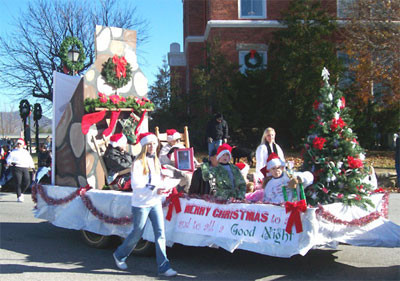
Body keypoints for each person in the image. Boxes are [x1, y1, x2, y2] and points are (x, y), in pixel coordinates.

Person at [112, 132, 178, 277]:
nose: (152, 147)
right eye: (149, 144)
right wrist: (155, 188)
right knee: (137, 233)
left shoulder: (156, 161)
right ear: (143, 146)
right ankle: (119, 254)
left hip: (155, 202)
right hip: (141, 204)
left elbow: (157, 180)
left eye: (154, 144)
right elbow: (136, 184)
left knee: (160, 233)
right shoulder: (137, 163)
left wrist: (164, 182)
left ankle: (164, 267)